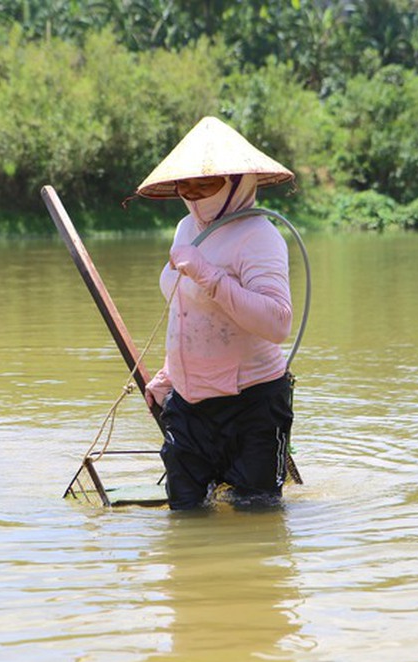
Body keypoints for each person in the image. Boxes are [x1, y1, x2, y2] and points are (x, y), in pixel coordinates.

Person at [137, 116, 296, 510]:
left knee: (257, 515)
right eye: (184, 185)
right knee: (185, 513)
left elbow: (278, 323)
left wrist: (211, 277)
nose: (193, 195)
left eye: (204, 184)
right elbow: (186, 311)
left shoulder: (260, 236)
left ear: (238, 182)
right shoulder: (185, 229)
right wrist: (170, 373)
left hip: (252, 405)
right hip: (189, 405)